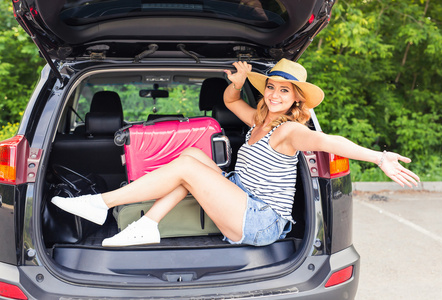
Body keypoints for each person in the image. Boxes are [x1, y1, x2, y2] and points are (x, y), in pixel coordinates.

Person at [52, 59, 420, 247]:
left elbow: (332, 142)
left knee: (190, 167)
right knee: (192, 159)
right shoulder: (259, 120)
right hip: (241, 196)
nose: (275, 95)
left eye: (284, 91)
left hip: (262, 221)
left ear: (296, 99)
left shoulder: (290, 131)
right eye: (271, 88)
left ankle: (101, 203)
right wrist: (239, 84)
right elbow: (229, 100)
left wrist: (378, 156)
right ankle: (145, 227)